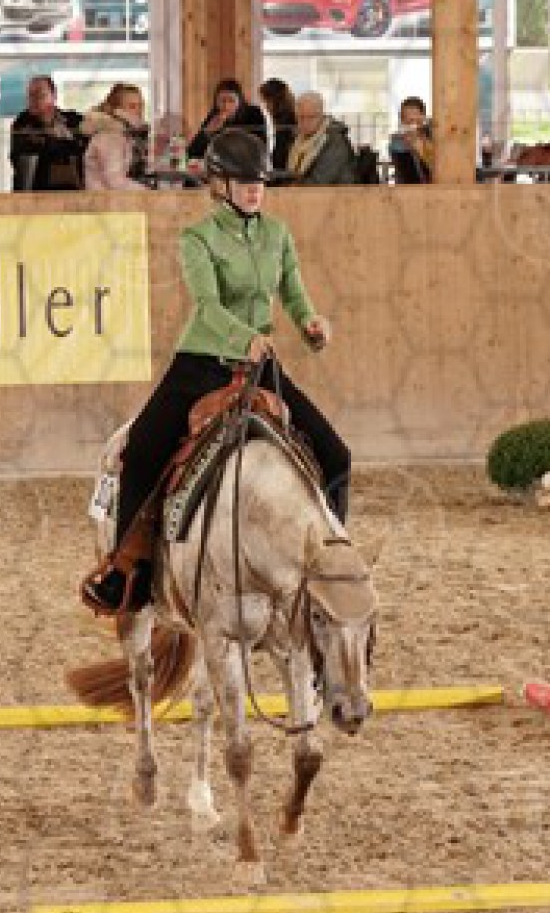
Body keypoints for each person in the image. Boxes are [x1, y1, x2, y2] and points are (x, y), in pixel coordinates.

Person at [80, 129, 350, 614]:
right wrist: (243, 338)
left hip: (259, 364)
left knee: (337, 455)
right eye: (244, 182)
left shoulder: (277, 235)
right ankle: (127, 570)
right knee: (142, 451)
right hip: (201, 362)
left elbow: (293, 295)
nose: (254, 190)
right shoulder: (198, 238)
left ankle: (332, 561)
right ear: (219, 185)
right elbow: (207, 306)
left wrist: (312, 324)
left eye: (259, 182)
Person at [9, 75, 85, 190]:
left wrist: (57, 144)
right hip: (35, 188)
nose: (34, 100)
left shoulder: (73, 120)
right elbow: (27, 153)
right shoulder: (22, 122)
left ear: (54, 96)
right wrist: (65, 144)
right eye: (30, 96)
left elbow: (83, 149)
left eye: (40, 95)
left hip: (72, 188)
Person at [81, 83, 149, 192]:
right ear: (117, 110)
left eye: (141, 106)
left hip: (114, 198)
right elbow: (115, 180)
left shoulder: (124, 134)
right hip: (105, 200)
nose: (139, 111)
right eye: (132, 106)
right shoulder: (109, 135)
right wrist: (149, 192)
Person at [284, 90, 356, 187]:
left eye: (311, 117)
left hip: (335, 195)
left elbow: (319, 182)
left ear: (322, 115)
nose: (305, 123)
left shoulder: (336, 142)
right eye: (301, 117)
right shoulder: (297, 140)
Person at [185, 79, 268, 162]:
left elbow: (261, 147)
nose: (226, 106)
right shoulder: (214, 116)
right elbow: (191, 153)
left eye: (231, 101)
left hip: (249, 164)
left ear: (240, 101)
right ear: (216, 102)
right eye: (222, 100)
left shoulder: (254, 113)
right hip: (221, 165)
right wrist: (207, 132)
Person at [388, 95, 435, 181]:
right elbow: (407, 175)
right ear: (402, 120)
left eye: (415, 120)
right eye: (407, 120)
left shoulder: (432, 134)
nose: (411, 124)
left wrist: (421, 143)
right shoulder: (398, 141)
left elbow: (440, 167)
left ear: (423, 117)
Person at [258, 78, 298, 173]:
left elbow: (281, 153)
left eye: (266, 101)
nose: (265, 106)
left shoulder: (287, 120)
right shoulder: (286, 117)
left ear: (275, 100)